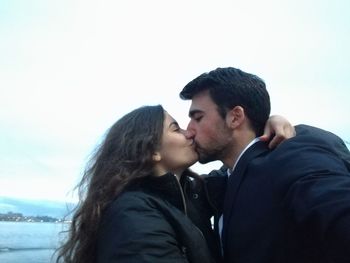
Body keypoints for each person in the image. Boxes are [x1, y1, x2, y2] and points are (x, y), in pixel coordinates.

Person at [54, 104, 294, 263]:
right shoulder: (133, 215)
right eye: (175, 128)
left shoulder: (189, 195)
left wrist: (270, 123)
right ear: (151, 151)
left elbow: (237, 168)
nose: (190, 132)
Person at [180, 67, 350, 263]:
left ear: (235, 117)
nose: (189, 130)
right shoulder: (226, 180)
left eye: (198, 117)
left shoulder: (292, 157)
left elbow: (335, 206)